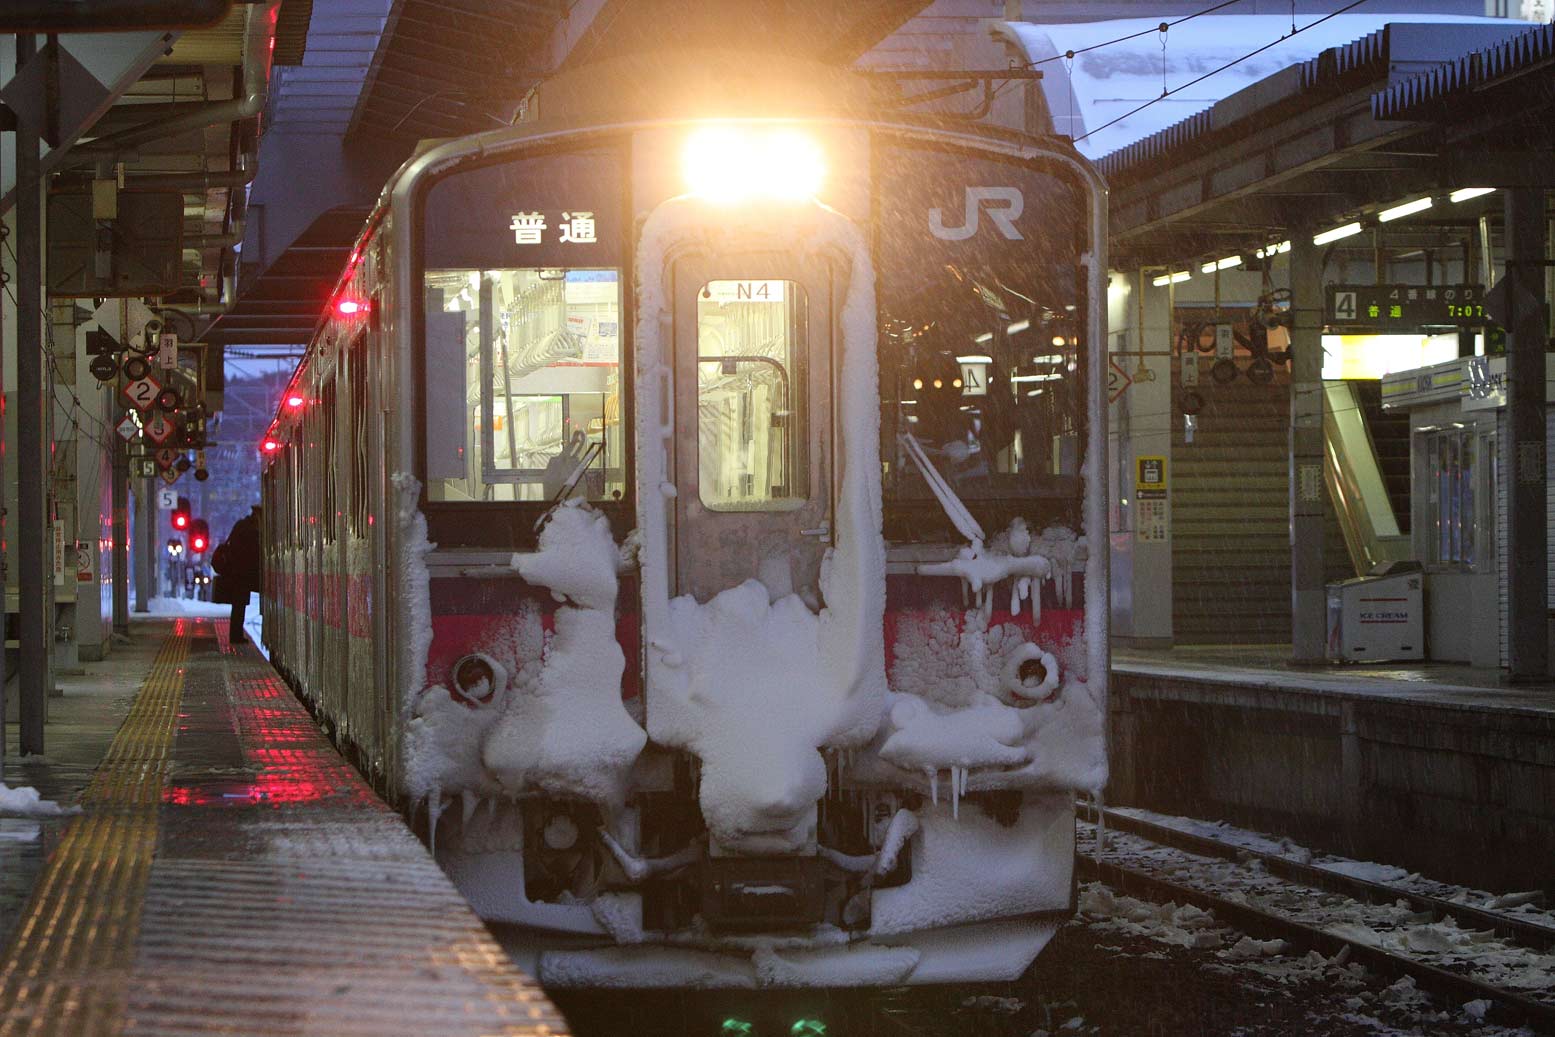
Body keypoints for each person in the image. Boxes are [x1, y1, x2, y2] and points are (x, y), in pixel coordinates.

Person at [213, 505, 263, 646]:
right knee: (239, 605)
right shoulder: (250, 530)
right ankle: (236, 636)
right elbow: (251, 552)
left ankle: (236, 635)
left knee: (238, 605)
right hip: (241, 574)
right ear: (257, 516)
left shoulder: (241, 525)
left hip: (237, 573)